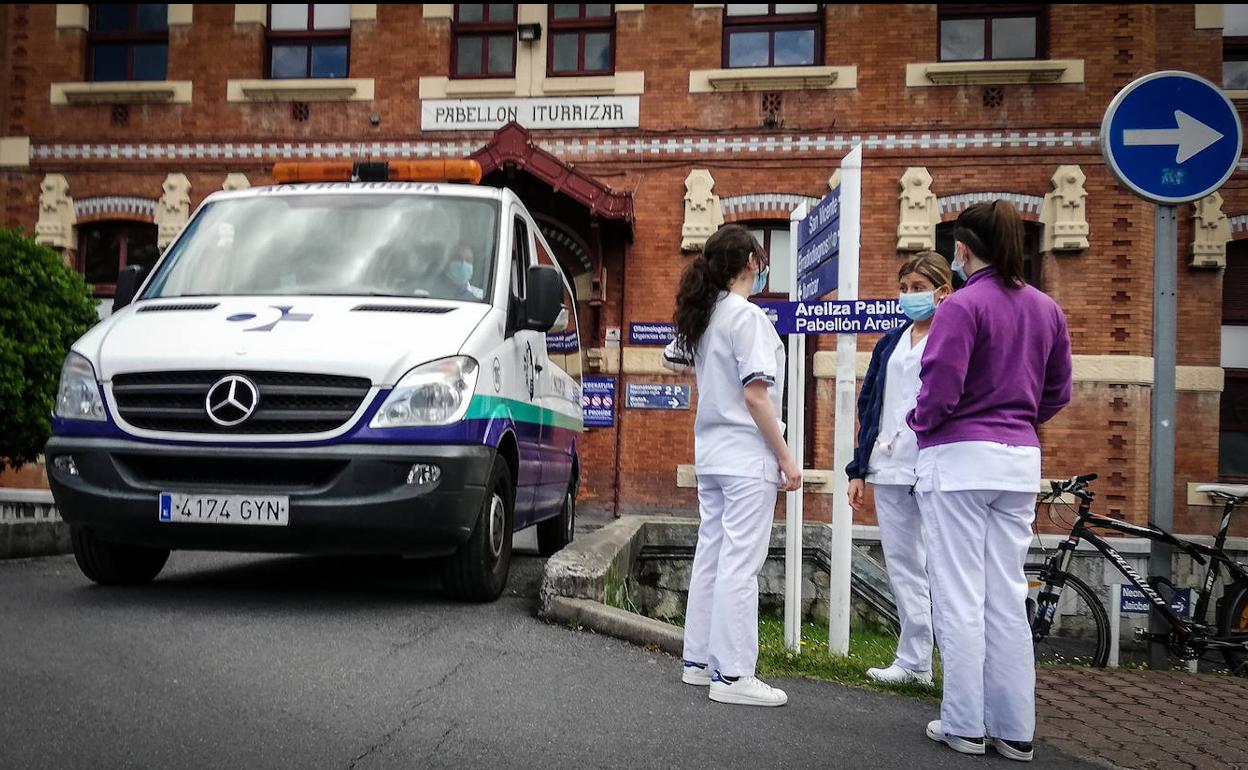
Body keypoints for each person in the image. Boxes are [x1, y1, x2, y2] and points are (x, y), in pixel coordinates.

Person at [907, 201, 1072, 762]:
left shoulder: (960, 306)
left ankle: (963, 724)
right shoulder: (1047, 309)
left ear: (963, 248)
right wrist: (1017, 418)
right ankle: (1013, 729)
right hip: (1018, 461)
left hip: (958, 461)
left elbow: (940, 391)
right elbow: (1057, 392)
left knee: (958, 595)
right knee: (1005, 595)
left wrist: (918, 421)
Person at [662, 224, 802, 707]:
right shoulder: (747, 318)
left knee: (713, 556)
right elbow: (756, 394)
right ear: (750, 262)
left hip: (713, 456)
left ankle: (699, 662)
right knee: (741, 564)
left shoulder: (707, 317)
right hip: (747, 459)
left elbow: (673, 359)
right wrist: (786, 455)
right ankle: (735, 674)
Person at [846, 251, 952, 688]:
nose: (908, 296)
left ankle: (961, 668)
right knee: (904, 565)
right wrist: (858, 468)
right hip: (887, 465)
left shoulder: (952, 335)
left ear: (942, 292)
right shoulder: (891, 341)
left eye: (918, 289)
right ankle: (914, 663)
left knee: (944, 566)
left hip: (933, 464)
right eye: (904, 288)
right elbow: (868, 403)